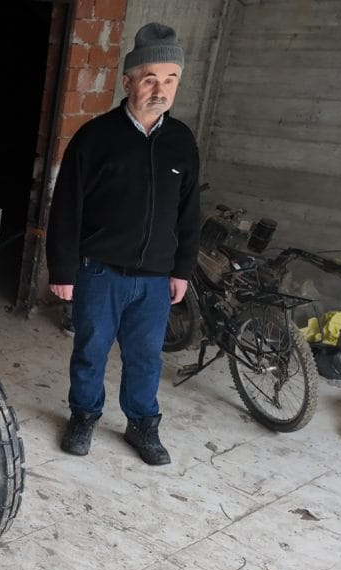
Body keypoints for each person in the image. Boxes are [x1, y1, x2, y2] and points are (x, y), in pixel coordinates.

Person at [45, 23, 201, 466]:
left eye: (170, 79)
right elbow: (66, 208)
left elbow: (189, 212)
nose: (160, 89)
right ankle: (84, 415)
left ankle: (142, 424)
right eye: (150, 78)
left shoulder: (181, 142)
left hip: (154, 278)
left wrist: (181, 269)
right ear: (129, 81)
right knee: (90, 351)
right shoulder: (95, 138)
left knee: (146, 358)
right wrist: (62, 269)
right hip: (100, 271)